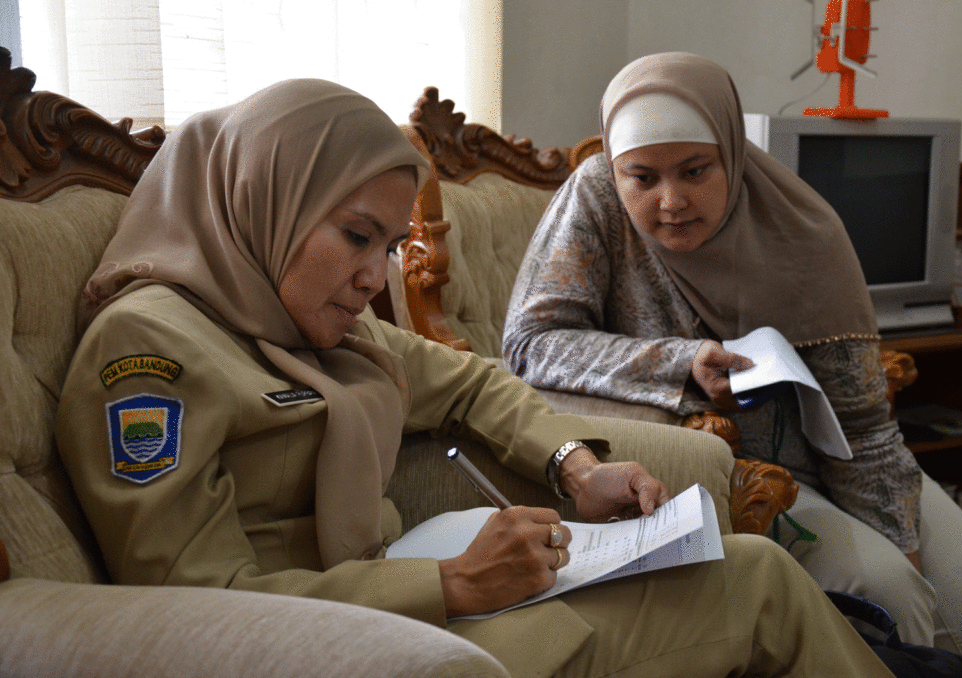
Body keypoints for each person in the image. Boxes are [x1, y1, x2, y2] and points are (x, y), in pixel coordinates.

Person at [54, 78, 897, 678]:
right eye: (355, 236)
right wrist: (451, 583)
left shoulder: (312, 322)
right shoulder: (151, 357)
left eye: (387, 247)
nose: (374, 276)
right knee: (762, 595)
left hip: (431, 615)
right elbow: (200, 606)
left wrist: (577, 464)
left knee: (759, 570)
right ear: (261, 201)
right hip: (351, 648)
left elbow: (471, 383)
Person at [503, 52, 962, 677]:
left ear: (731, 153)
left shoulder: (804, 231)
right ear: (616, 172)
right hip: (718, 478)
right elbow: (532, 341)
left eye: (695, 171)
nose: (671, 201)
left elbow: (861, 426)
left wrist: (903, 537)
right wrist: (680, 361)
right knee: (890, 594)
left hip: (842, 461)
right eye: (642, 178)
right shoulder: (594, 197)